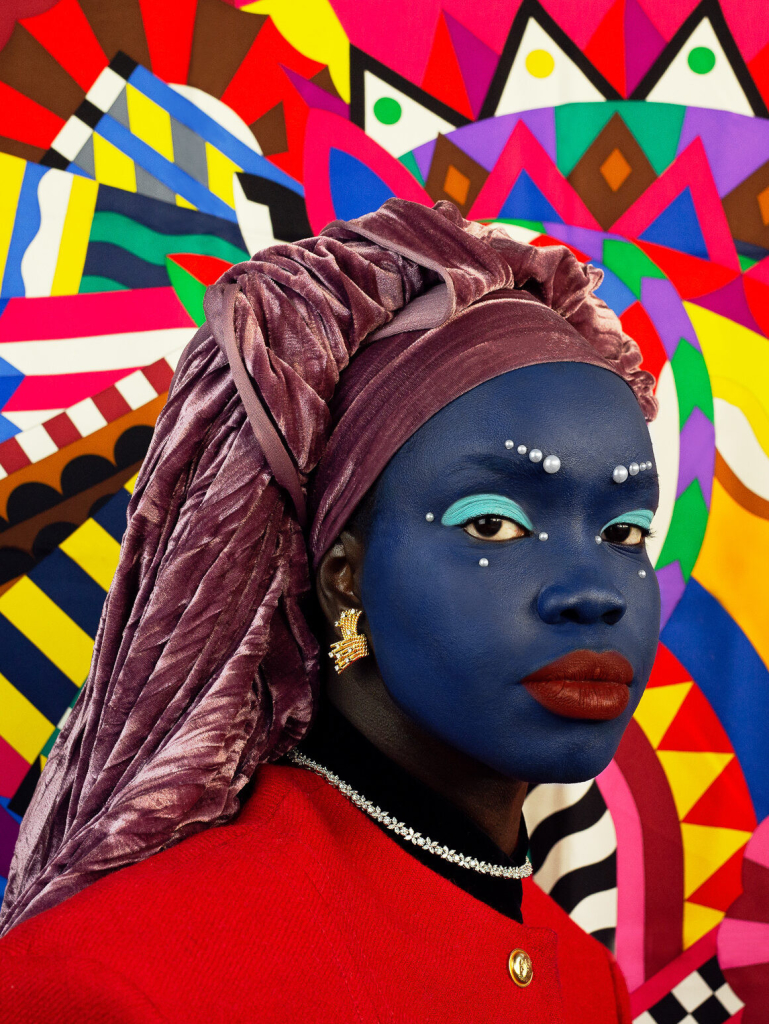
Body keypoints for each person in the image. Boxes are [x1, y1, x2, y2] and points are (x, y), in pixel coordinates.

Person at [0, 199, 658, 1023]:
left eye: (625, 531)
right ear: (343, 578)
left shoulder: (589, 985)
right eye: (493, 523)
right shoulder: (121, 981)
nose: (592, 591)